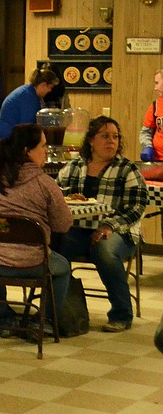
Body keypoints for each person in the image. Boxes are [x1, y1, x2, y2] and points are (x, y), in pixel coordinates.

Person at [0, 123, 72, 334]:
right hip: (29, 261)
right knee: (63, 268)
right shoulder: (44, 183)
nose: (46, 151)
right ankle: (44, 321)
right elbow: (63, 224)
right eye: (42, 146)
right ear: (27, 151)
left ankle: (1, 319)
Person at [56, 116, 147, 332]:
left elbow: (137, 207)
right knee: (55, 247)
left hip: (120, 232)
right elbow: (56, 197)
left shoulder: (127, 169)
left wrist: (109, 227)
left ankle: (121, 314)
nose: (111, 141)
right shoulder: (74, 167)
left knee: (104, 250)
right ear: (91, 141)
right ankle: (62, 309)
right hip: (79, 230)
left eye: (115, 137)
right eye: (105, 136)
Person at [0, 68, 59, 140]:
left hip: (7, 135)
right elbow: (27, 127)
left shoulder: (28, 92)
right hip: (8, 139)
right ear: (44, 85)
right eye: (50, 87)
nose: (50, 91)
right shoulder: (28, 98)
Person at [139, 68, 163, 162]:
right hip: (158, 162)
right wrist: (147, 147)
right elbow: (145, 132)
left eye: (157, 83)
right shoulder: (155, 105)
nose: (155, 88)